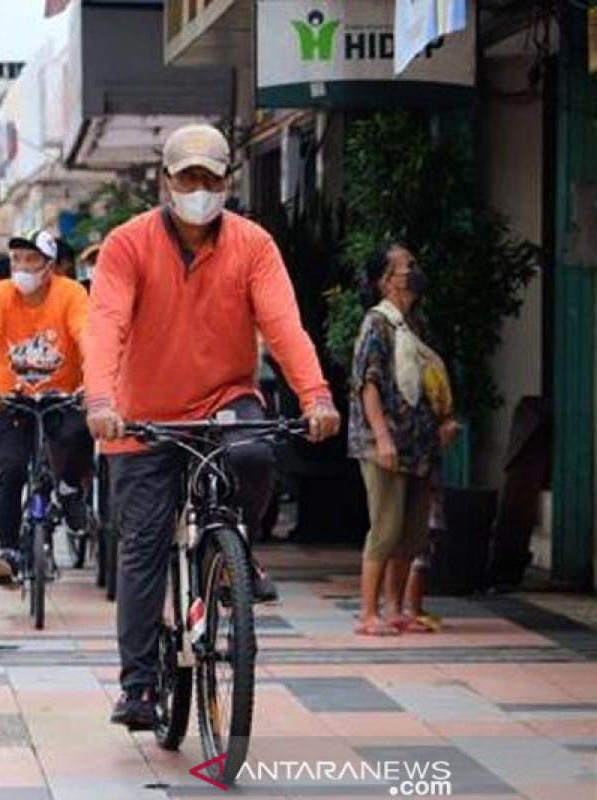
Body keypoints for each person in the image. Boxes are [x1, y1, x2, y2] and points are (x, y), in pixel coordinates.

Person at [84, 124, 341, 730]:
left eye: (210, 177)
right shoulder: (127, 245)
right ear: (165, 182)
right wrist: (100, 400)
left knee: (253, 456)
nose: (200, 189)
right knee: (144, 546)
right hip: (139, 414)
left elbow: (283, 325)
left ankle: (236, 552)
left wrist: (316, 396)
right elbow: (106, 325)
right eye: (187, 178)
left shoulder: (253, 244)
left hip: (225, 398)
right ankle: (140, 687)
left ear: (227, 180)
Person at [348, 243, 459, 636]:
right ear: (386, 281)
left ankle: (395, 608)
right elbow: (368, 384)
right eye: (406, 267)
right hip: (384, 444)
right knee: (386, 527)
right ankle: (368, 613)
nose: (414, 272)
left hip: (418, 444)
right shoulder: (376, 324)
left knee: (412, 531)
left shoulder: (413, 325)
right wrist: (382, 437)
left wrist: (444, 421)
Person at [0, 229, 93, 583]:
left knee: (79, 433)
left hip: (62, 399)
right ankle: (8, 550)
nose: (22, 268)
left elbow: (86, 335)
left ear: (50, 266)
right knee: (9, 470)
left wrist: (95, 379)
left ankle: (70, 488)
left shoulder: (70, 293)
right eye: (17, 261)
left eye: (31, 260)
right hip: (10, 402)